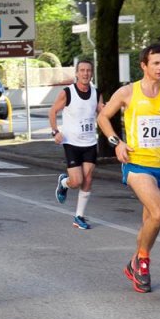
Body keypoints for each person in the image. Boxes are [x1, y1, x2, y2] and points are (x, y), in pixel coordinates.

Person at [97, 43, 160, 293]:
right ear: (144, 65)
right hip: (137, 164)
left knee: (151, 222)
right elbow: (102, 117)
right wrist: (116, 143)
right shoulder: (127, 92)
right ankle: (142, 260)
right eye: (156, 63)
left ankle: (135, 263)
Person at [50, 60, 104, 230]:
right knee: (77, 181)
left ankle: (79, 216)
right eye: (82, 70)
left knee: (88, 179)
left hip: (90, 143)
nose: (85, 73)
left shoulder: (96, 93)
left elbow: (102, 113)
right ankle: (64, 183)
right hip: (71, 143)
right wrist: (55, 131)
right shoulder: (68, 92)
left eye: (88, 70)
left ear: (92, 73)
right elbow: (52, 111)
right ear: (77, 73)